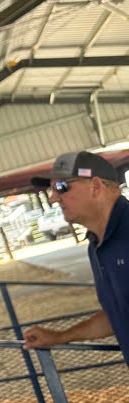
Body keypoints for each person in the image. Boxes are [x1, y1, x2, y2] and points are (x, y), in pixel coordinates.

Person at [22, 151, 128, 365]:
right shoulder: (96, 245)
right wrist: (59, 337)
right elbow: (118, 313)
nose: (53, 198)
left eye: (61, 187)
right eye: (51, 190)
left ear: (96, 186)